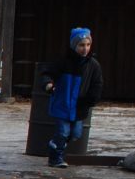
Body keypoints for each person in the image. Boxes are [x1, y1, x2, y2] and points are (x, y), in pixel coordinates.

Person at [39, 26, 103, 168]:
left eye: (88, 45)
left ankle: (54, 145)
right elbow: (47, 73)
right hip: (63, 103)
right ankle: (56, 158)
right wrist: (48, 84)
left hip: (80, 106)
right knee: (63, 132)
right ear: (74, 45)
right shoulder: (63, 62)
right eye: (81, 45)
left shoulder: (93, 65)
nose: (85, 48)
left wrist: (92, 99)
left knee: (76, 134)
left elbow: (97, 84)